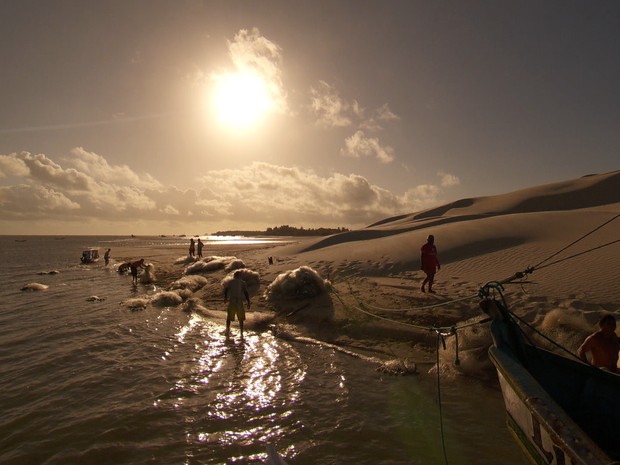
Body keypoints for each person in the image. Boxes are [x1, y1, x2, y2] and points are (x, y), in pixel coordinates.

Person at [223, 270, 251, 339]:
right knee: (240, 317)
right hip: (239, 301)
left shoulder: (231, 282)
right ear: (239, 276)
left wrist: (225, 298)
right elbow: (246, 293)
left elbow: (226, 290)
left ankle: (227, 330)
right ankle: (241, 332)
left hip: (232, 300)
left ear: (234, 276)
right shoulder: (242, 282)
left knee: (229, 317)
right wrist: (248, 302)